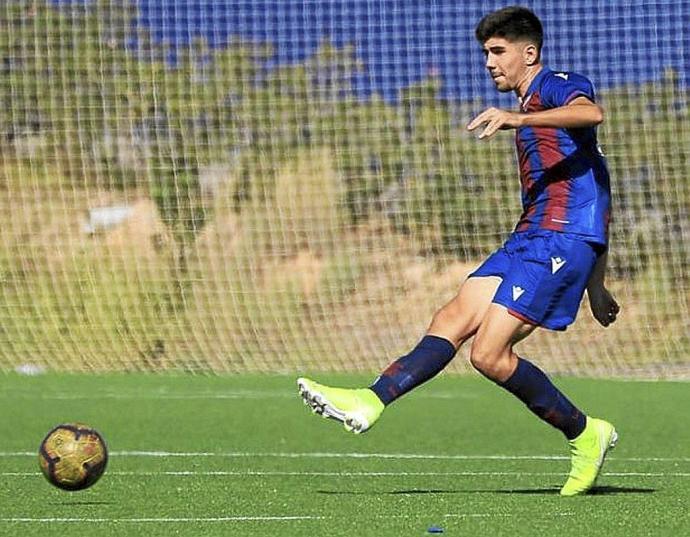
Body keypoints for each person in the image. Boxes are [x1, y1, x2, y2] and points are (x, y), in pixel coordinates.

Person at [297, 6, 620, 497]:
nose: (489, 62)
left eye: (498, 51)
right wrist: (598, 287)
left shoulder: (555, 85)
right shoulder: (536, 116)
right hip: (529, 236)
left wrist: (516, 119)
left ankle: (584, 433)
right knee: (451, 316)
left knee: (488, 354)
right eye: (485, 53)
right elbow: (600, 186)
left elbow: (591, 113)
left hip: (562, 240)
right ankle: (370, 399)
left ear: (528, 52)